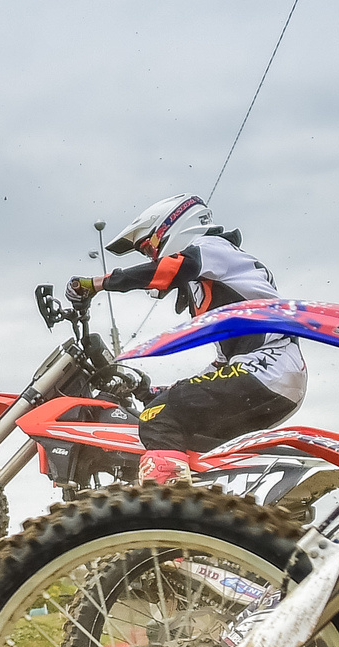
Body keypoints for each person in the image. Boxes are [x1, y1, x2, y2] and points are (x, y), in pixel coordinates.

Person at [64, 195, 307, 485]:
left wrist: (97, 284)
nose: (152, 256)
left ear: (175, 226)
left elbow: (170, 269)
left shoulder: (212, 247)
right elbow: (221, 366)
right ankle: (216, 500)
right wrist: (155, 390)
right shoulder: (224, 282)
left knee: (157, 417)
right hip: (273, 377)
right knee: (182, 427)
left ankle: (166, 501)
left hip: (265, 371)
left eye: (150, 247)